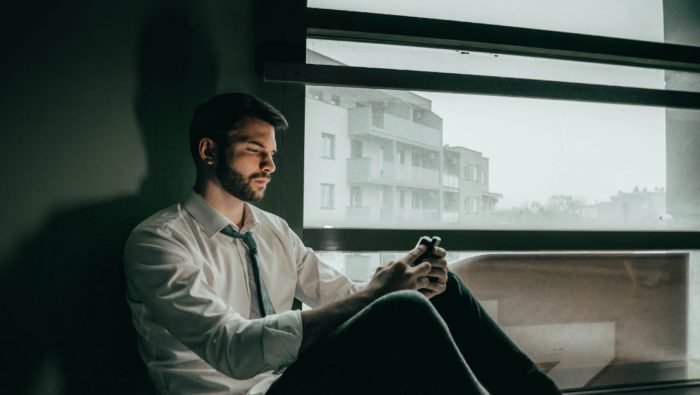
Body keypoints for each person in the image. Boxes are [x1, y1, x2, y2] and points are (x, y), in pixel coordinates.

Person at [124, 93, 561, 395]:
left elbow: (346, 298)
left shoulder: (272, 229)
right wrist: (383, 294)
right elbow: (232, 348)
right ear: (209, 151)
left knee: (436, 288)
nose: (271, 164)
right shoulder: (159, 243)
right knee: (403, 307)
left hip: (293, 381)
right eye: (255, 150)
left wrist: (404, 277)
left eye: (273, 153)